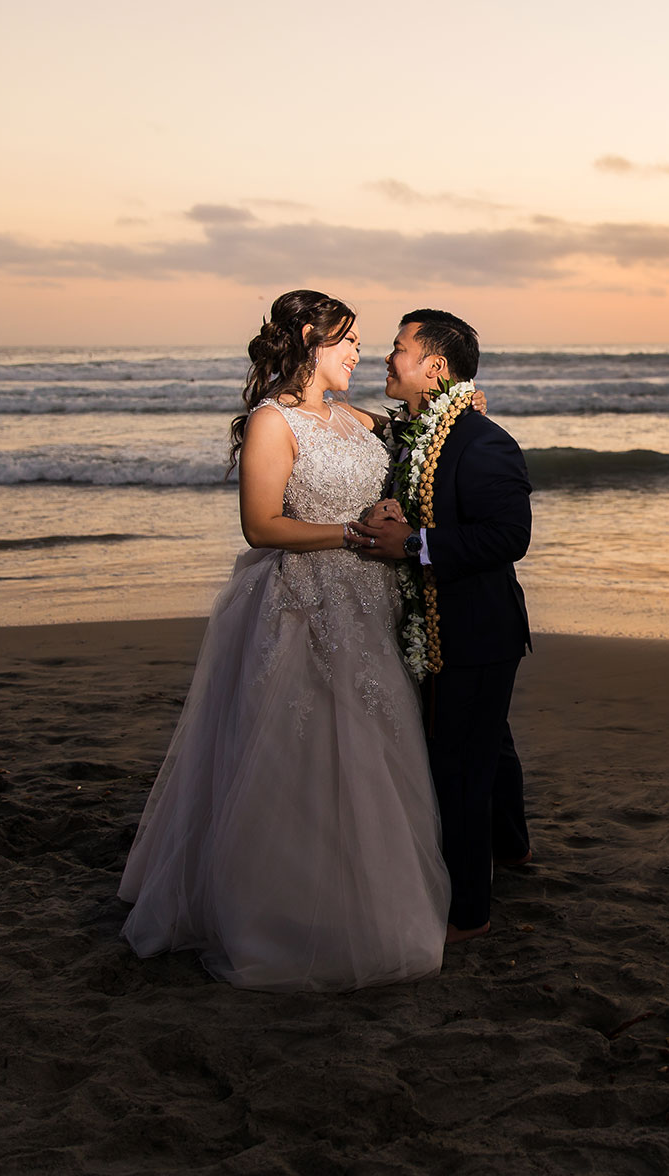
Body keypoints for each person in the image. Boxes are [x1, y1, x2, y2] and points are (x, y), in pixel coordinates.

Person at [116, 290, 450, 991]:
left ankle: (366, 896)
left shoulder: (360, 420)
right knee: (299, 754)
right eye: (349, 340)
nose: (361, 353)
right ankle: (286, 910)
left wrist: (440, 437)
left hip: (369, 605)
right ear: (310, 338)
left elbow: (411, 461)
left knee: (370, 750)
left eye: (362, 342)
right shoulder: (272, 422)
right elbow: (262, 526)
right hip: (303, 603)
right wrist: (354, 533)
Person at [349, 310, 533, 943]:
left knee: (460, 766)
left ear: (434, 366)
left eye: (398, 349)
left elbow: (510, 537)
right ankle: (513, 847)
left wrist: (415, 546)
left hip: (477, 631)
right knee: (490, 744)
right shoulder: (419, 432)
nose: (385, 359)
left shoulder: (484, 443)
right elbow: (383, 430)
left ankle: (469, 913)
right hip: (436, 627)